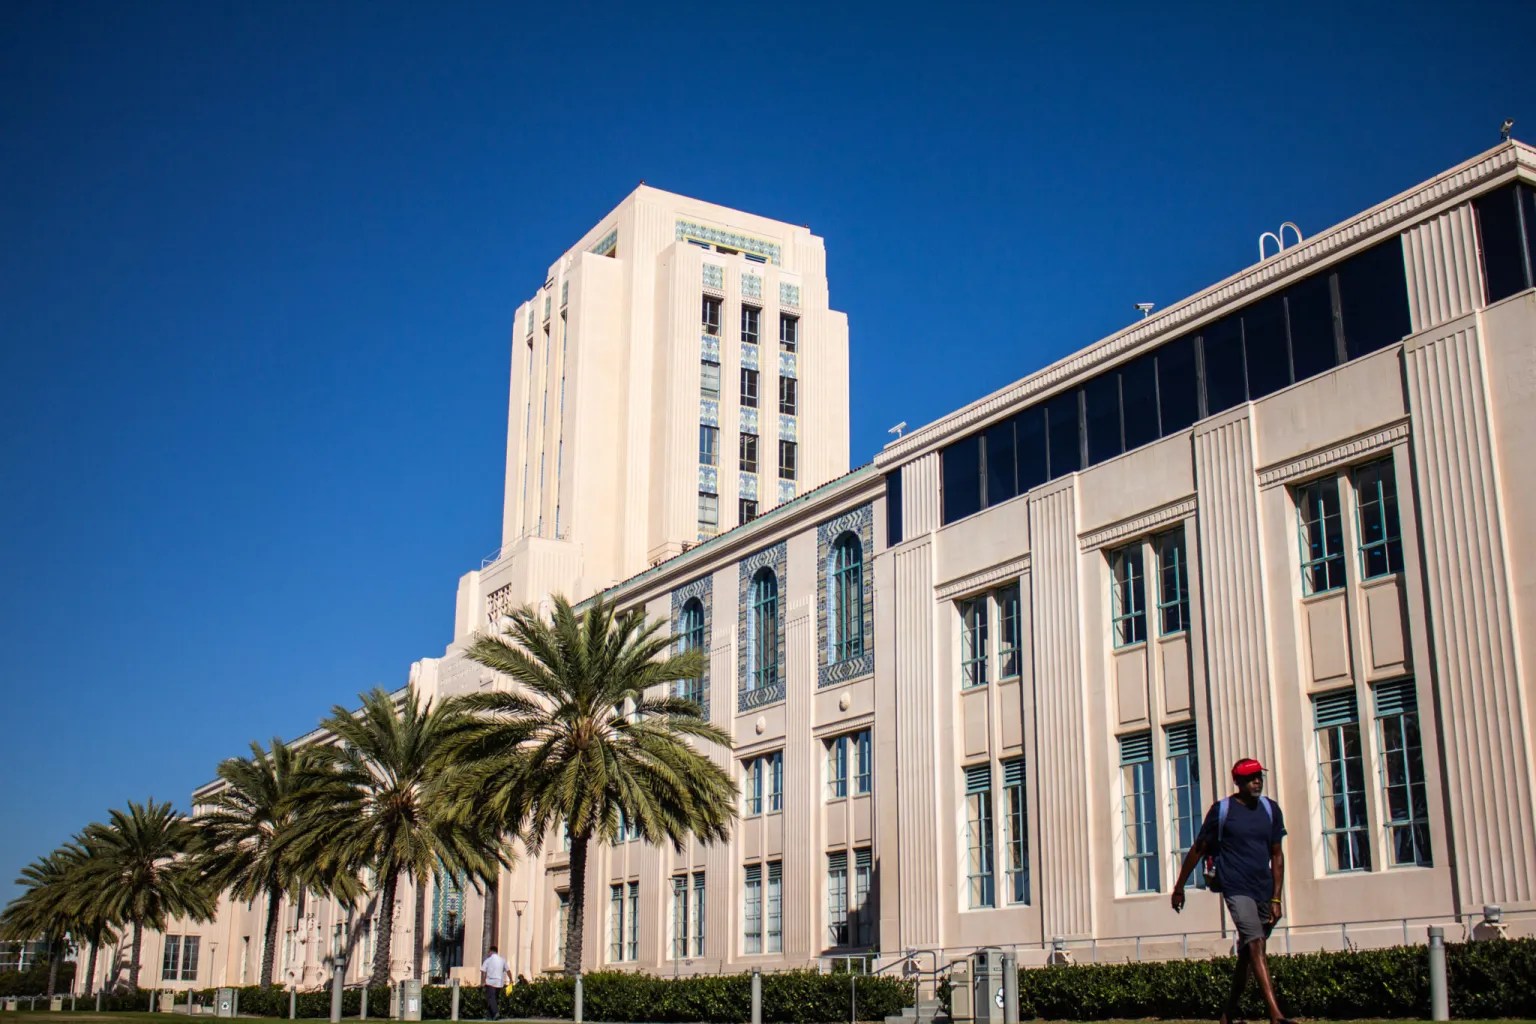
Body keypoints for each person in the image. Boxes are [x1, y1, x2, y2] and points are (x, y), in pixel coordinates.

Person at [1172, 757, 1292, 1024]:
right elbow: (1199, 848)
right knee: (1256, 943)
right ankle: (1276, 1016)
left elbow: (1277, 855)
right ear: (1238, 782)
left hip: (1263, 890)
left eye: (1259, 776)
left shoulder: (1271, 810)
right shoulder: (1222, 810)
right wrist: (1179, 887)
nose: (1257, 781)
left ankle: (1228, 1015)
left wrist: (1276, 898)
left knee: (1248, 954)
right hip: (1236, 887)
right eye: (1251, 777)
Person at [481, 945, 509, 1021]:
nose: (488, 953)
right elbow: (508, 970)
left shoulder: (488, 960)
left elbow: (483, 971)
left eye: (489, 952)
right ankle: (489, 1016)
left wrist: (483, 981)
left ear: (491, 951)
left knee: (491, 998)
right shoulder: (502, 960)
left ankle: (496, 1012)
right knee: (495, 998)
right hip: (499, 982)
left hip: (490, 982)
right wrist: (511, 979)